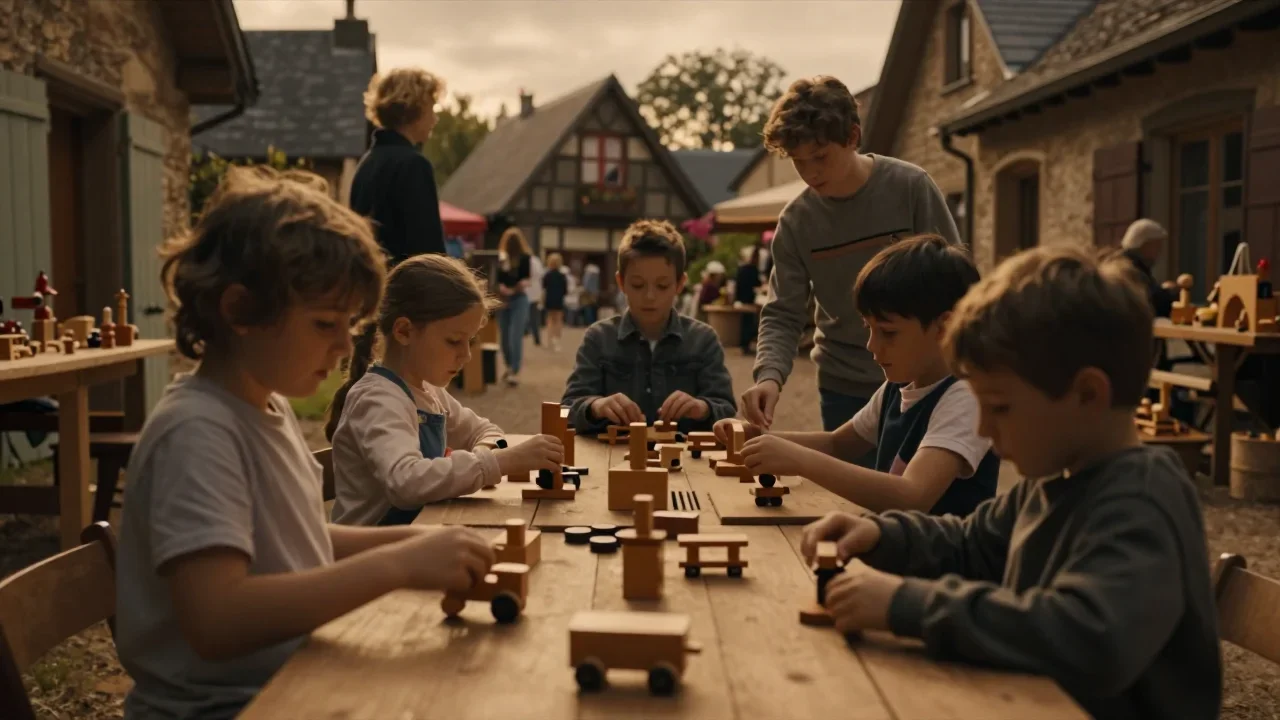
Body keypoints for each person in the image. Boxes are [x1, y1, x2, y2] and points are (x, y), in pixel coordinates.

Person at [114, 166, 498, 719]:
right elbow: (217, 621)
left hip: (290, 679)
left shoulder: (262, 407)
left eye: (349, 322)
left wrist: (419, 545)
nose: (346, 344)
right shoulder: (196, 434)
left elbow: (297, 538)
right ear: (240, 310)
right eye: (325, 324)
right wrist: (398, 567)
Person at [800, 245, 1221, 720]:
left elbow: (1089, 638)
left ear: (1087, 395)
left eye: (999, 408)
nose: (982, 430)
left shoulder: (1142, 501)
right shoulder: (1054, 482)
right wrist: (882, 534)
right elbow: (968, 543)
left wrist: (906, 605)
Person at [714, 235, 997, 516]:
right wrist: (759, 438)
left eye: (888, 332)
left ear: (944, 328)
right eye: (869, 328)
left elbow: (913, 495)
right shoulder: (897, 387)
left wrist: (799, 460)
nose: (872, 345)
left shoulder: (966, 397)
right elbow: (838, 444)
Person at [744, 75, 961, 436]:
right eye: (799, 161)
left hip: (925, 378)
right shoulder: (796, 222)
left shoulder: (911, 187)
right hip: (844, 384)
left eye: (820, 157)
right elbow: (783, 313)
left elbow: (957, 284)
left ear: (853, 138)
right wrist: (769, 376)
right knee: (850, 492)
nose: (810, 172)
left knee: (921, 488)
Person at [325, 254, 564, 526]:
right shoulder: (378, 399)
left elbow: (483, 431)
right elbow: (406, 483)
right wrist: (498, 463)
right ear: (404, 331)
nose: (466, 355)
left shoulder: (428, 390)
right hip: (369, 557)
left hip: (412, 542)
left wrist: (489, 455)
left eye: (470, 341)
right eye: (454, 341)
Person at [562, 219, 737, 434]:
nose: (650, 296)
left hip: (685, 463)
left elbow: (728, 411)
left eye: (662, 286)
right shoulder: (598, 338)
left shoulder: (703, 339)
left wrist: (702, 408)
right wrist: (595, 407)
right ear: (621, 283)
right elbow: (566, 410)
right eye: (637, 285)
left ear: (680, 284)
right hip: (613, 460)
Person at [349, 68, 448, 265]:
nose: (435, 119)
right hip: (407, 288)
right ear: (413, 110)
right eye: (432, 109)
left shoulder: (366, 164)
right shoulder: (413, 165)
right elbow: (429, 252)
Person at [495, 228, 533, 386]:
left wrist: (514, 287)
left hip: (517, 298)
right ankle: (510, 367)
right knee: (505, 336)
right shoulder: (501, 259)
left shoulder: (525, 258)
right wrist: (501, 288)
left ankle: (513, 369)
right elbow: (496, 278)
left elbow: (526, 279)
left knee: (513, 335)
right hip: (504, 298)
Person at [1120, 218, 1176, 318]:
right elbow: (1151, 302)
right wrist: (1168, 292)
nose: (1160, 251)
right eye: (1158, 246)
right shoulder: (1128, 268)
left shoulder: (1134, 265)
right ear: (1145, 245)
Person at [735, 246, 763, 354]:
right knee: (749, 322)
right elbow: (757, 284)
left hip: (742, 300)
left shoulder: (742, 269)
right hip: (750, 300)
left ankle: (744, 344)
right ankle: (746, 344)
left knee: (744, 322)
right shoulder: (753, 270)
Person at [542, 252, 569, 351]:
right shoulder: (562, 276)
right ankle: (557, 341)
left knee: (549, 319)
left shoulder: (547, 275)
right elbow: (565, 290)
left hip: (549, 299)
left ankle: (549, 340)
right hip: (559, 299)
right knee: (558, 320)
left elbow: (544, 287)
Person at [526, 250, 545, 347]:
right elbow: (541, 275)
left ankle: (525, 333)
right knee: (534, 317)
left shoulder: (525, 260)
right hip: (534, 293)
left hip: (527, 292)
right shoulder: (536, 261)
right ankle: (536, 338)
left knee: (527, 316)